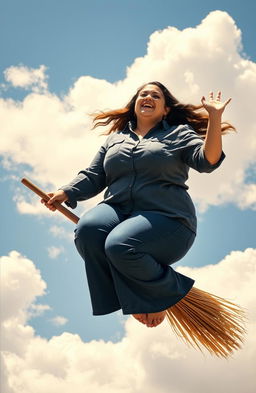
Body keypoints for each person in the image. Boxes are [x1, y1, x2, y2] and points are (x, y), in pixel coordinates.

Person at [42, 81, 234, 329]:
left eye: (156, 96)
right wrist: (65, 192)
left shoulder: (179, 134)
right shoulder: (115, 139)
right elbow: (94, 175)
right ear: (135, 104)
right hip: (118, 210)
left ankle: (156, 296)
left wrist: (215, 118)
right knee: (88, 230)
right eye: (143, 94)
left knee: (119, 244)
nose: (148, 97)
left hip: (168, 220)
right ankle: (137, 297)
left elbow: (208, 160)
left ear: (165, 110)